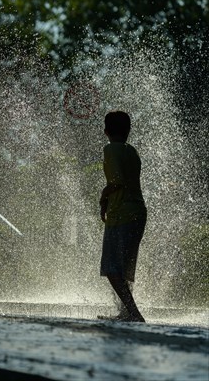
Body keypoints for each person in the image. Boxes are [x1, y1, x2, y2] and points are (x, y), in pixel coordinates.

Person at [99, 111, 146, 322]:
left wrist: (103, 196)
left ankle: (134, 313)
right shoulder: (132, 151)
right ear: (128, 130)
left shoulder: (110, 149)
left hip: (121, 214)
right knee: (124, 268)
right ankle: (126, 313)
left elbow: (116, 181)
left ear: (106, 131)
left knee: (112, 268)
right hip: (138, 213)